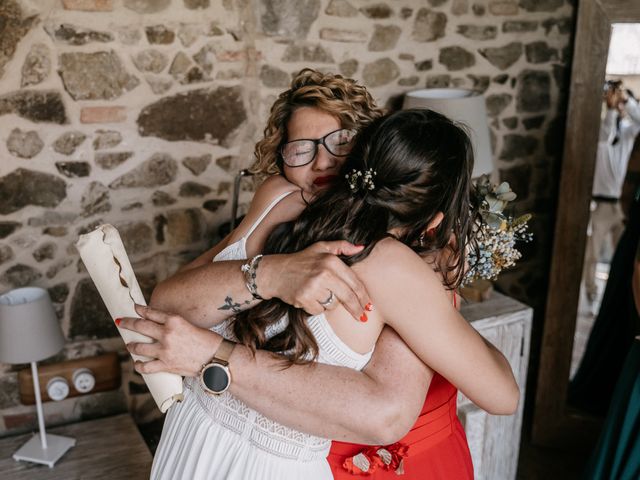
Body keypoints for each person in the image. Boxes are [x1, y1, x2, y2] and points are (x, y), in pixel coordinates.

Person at [120, 108, 519, 479]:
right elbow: (503, 395)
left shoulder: (286, 202)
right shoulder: (397, 268)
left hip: (191, 436)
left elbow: (167, 300)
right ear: (434, 221)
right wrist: (440, 282)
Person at [584, 80, 640, 302]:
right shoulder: (601, 130)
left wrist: (625, 101)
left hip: (623, 206)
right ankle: (590, 294)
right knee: (592, 255)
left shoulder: (629, 134)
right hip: (601, 205)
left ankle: (622, 298)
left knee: (624, 257)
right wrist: (611, 110)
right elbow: (605, 136)